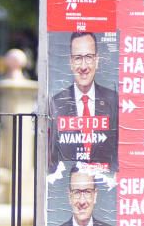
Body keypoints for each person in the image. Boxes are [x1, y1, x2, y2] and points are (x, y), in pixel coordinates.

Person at [48, 31, 119, 173]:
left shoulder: (113, 100)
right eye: (78, 58)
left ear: (97, 60)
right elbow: (51, 160)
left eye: (88, 57)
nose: (84, 66)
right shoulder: (56, 103)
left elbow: (118, 154)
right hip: (68, 187)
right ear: (70, 62)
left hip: (107, 187)